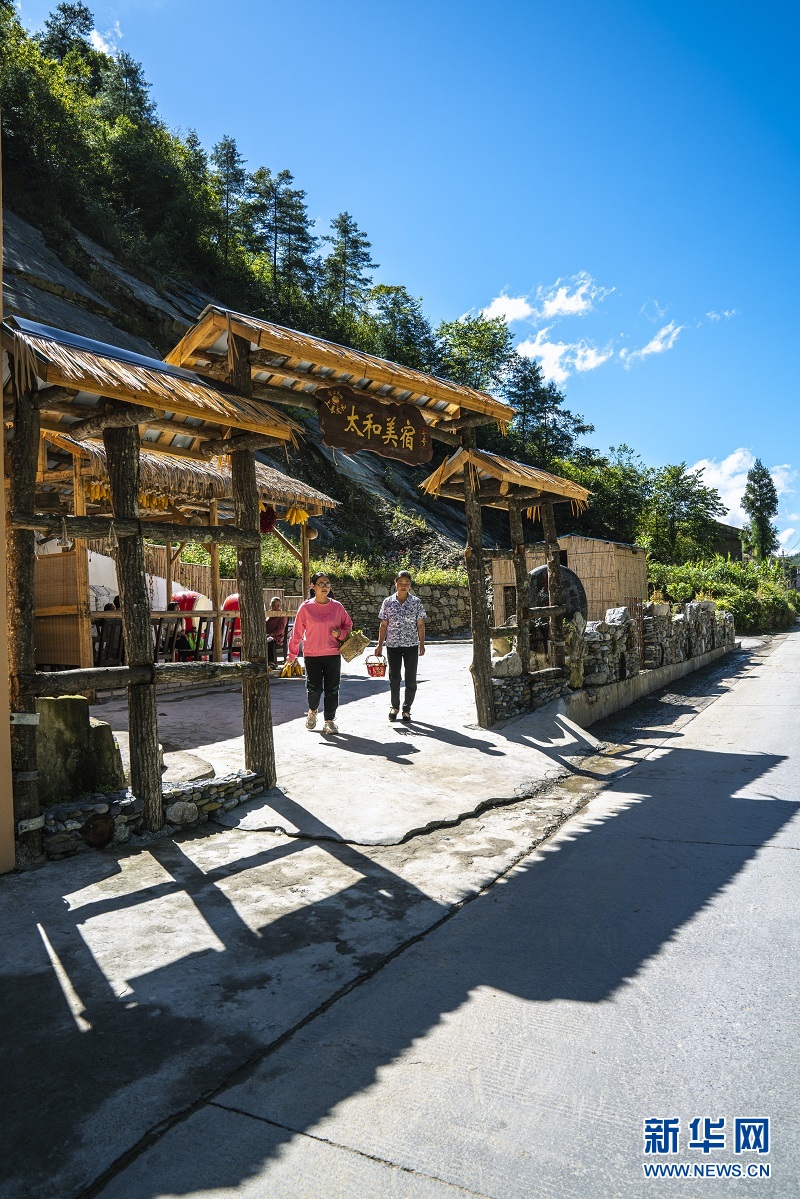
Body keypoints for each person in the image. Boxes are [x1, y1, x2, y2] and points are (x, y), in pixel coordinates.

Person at [286, 572, 352, 735]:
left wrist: (341, 634)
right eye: (321, 583)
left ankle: (329, 721)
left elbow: (348, 626)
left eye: (327, 583)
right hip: (312, 655)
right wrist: (292, 655)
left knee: (332, 689)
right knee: (314, 689)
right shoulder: (306, 607)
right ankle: (313, 711)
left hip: (333, 654)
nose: (325, 587)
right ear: (313, 587)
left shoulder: (337, 607)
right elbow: (297, 633)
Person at [376, 569, 426, 722]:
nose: (403, 586)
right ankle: (394, 706)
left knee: (410, 679)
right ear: (395, 584)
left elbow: (421, 624)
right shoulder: (388, 602)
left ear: (410, 585)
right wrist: (379, 645)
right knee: (394, 678)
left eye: (406, 583)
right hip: (393, 646)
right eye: (400, 583)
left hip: (411, 645)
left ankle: (407, 709)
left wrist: (421, 644)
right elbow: (383, 625)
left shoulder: (416, 602)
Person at [265, 596, 288, 670]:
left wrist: (270, 635)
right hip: (266, 635)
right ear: (270, 606)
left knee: (269, 640)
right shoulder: (268, 614)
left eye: (278, 605)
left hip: (277, 637)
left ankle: (271, 662)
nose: (276, 607)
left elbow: (280, 629)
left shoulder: (282, 615)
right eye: (273, 605)